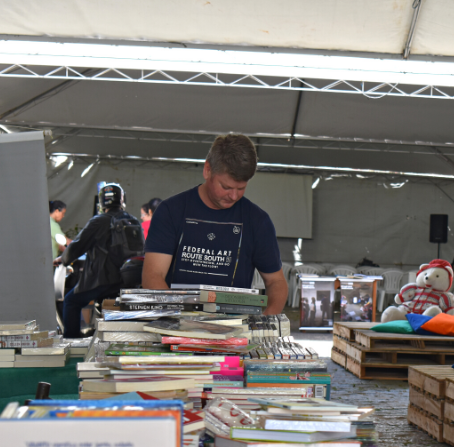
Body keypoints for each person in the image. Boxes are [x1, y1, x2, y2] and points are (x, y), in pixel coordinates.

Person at [142, 134, 288, 314]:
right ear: (207, 170)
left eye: (241, 188)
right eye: (226, 187)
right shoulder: (171, 211)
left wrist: (266, 321)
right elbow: (152, 276)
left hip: (235, 333)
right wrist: (179, 322)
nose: (234, 196)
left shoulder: (257, 221)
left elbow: (276, 282)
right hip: (176, 326)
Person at [54, 184, 140, 338]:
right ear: (122, 200)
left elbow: (77, 246)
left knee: (71, 302)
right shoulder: (132, 221)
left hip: (102, 279)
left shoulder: (98, 221)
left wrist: (63, 259)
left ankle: (72, 340)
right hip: (128, 279)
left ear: (101, 203)